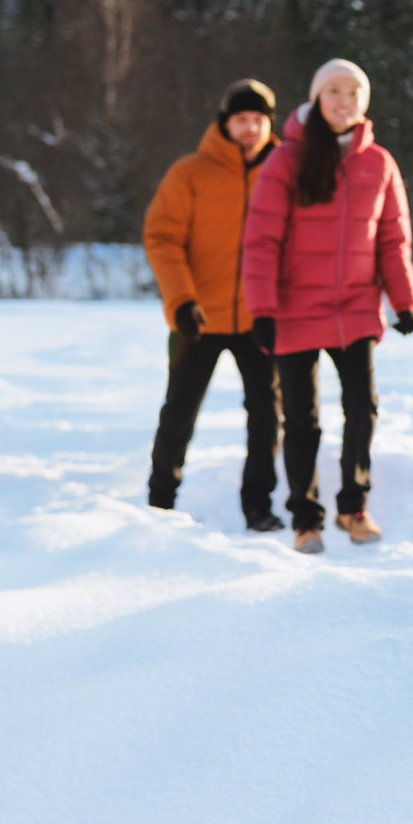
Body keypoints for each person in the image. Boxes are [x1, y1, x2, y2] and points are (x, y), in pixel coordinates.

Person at [240, 59, 413, 554]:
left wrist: (403, 300)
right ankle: (305, 517)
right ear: (317, 97)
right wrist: (262, 311)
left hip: (356, 308)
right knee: (301, 419)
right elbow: (260, 243)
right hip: (295, 309)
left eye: (354, 93)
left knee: (362, 407)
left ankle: (353, 506)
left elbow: (392, 238)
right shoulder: (285, 161)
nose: (344, 101)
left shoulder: (379, 162)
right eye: (335, 91)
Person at [142, 79, 284, 530]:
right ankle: (160, 500)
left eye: (258, 120)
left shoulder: (285, 172)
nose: (250, 128)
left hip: (261, 319)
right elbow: (162, 237)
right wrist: (181, 300)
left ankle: (258, 507)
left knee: (267, 414)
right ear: (224, 123)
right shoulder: (190, 172)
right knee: (179, 411)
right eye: (241, 120)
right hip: (196, 319)